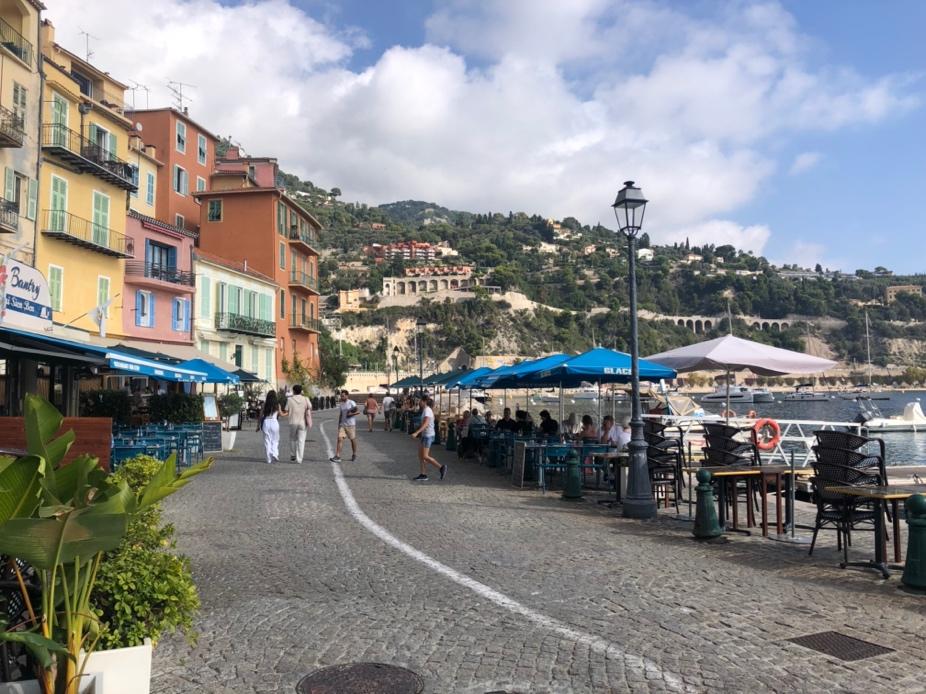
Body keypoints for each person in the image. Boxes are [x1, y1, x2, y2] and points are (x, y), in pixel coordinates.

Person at [412, 396, 446, 481]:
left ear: (424, 401)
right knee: (420, 456)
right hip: (425, 435)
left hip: (428, 436)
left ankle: (441, 467)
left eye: (420, 401)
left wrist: (417, 432)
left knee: (425, 456)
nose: (419, 403)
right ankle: (423, 474)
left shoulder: (427, 410)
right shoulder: (426, 410)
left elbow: (426, 424)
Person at [330, 390, 359, 463]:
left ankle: (354, 454)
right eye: (341, 396)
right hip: (343, 425)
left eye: (343, 396)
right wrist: (339, 424)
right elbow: (341, 414)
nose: (341, 397)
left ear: (347, 395)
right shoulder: (341, 404)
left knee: (352, 439)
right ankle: (338, 456)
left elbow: (357, 411)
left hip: (351, 425)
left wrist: (350, 414)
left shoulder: (351, 402)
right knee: (340, 439)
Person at [286, 384, 312, 463]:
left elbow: (286, 410)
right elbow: (310, 407)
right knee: (301, 441)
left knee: (292, 439)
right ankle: (299, 459)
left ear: (293, 391)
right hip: (302, 422)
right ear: (301, 391)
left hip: (293, 422)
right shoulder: (305, 399)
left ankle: (293, 455)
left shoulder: (289, 399)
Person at [260, 390, 284, 464]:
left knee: (267, 441)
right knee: (275, 440)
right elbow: (281, 414)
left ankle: (268, 459)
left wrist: (258, 426)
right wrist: (288, 413)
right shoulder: (277, 405)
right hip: (274, 422)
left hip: (266, 422)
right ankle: (275, 454)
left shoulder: (264, 404)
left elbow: (260, 416)